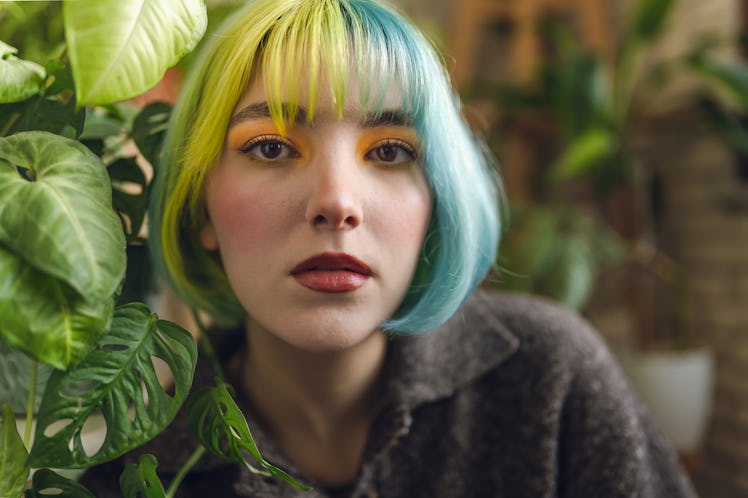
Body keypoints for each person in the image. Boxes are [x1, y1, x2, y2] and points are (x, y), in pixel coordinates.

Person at [81, 0, 698, 496]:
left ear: (437, 201)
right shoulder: (139, 467)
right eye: (270, 146)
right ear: (200, 205)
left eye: (390, 151)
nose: (337, 201)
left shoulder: (550, 379)